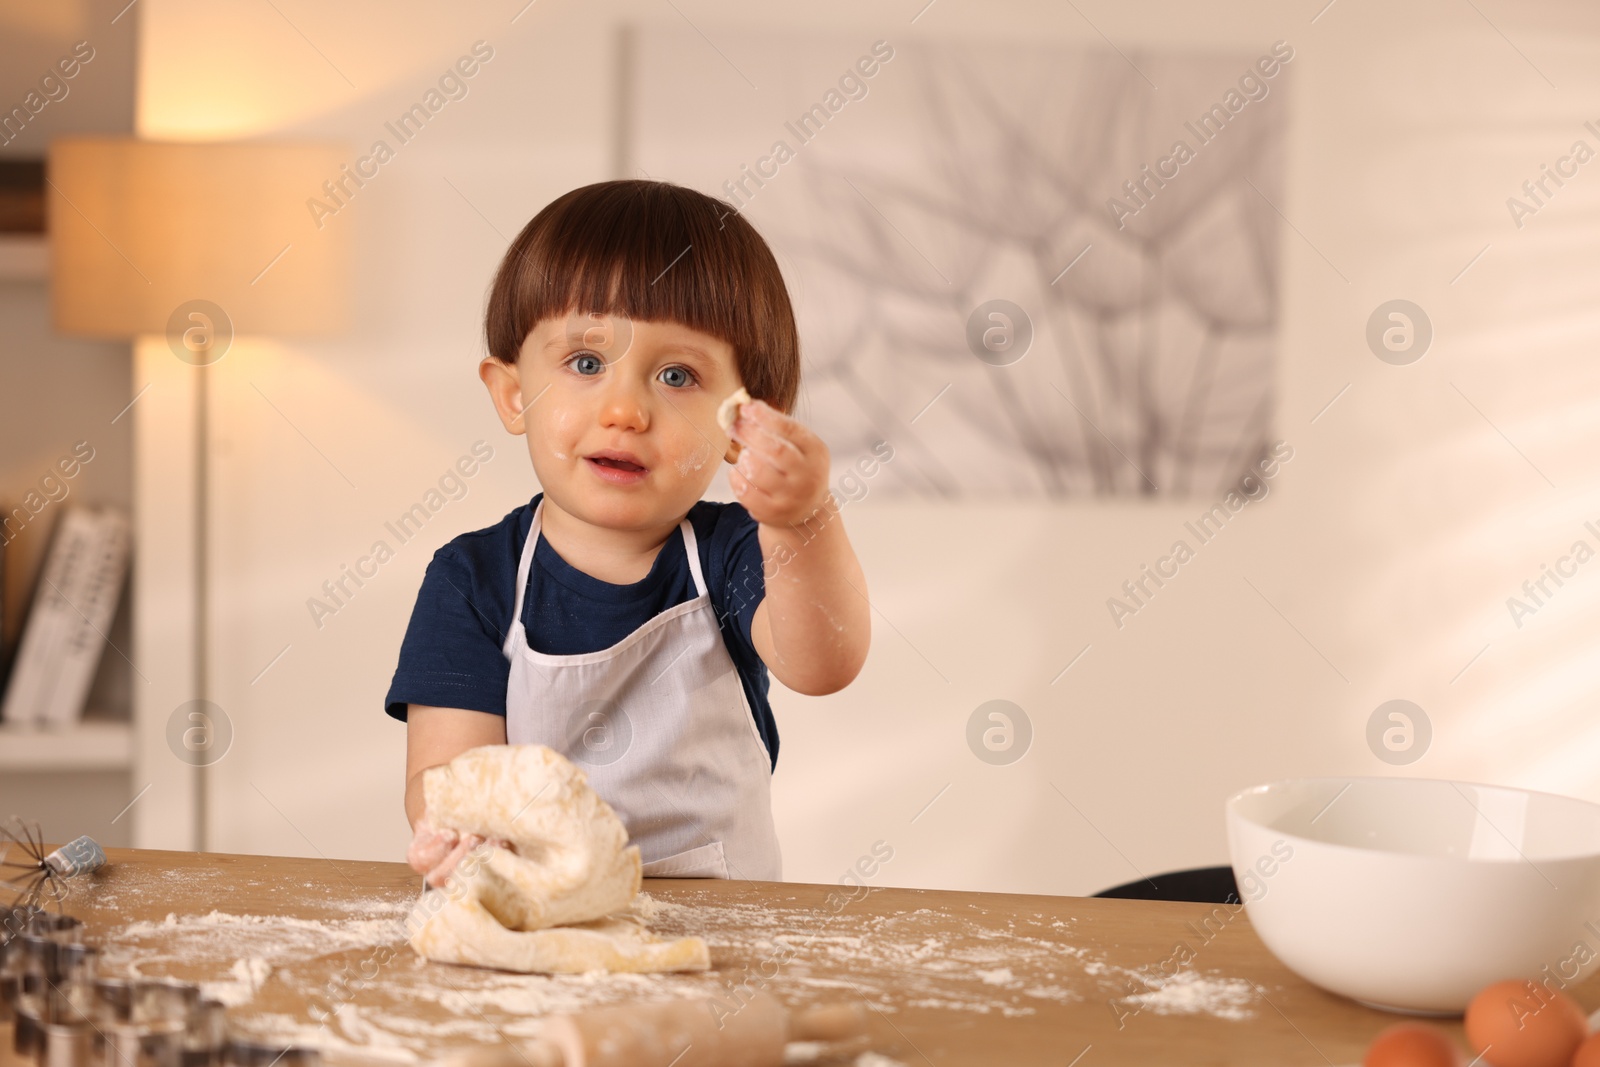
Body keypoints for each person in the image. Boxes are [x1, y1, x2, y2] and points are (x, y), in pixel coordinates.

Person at [387, 179, 871, 887]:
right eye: (586, 362)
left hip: (724, 942)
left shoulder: (732, 551)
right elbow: (447, 772)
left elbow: (823, 664)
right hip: (543, 919)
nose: (625, 409)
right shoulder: (473, 579)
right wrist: (457, 827)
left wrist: (801, 519)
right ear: (514, 391)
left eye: (677, 375)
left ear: (743, 421)